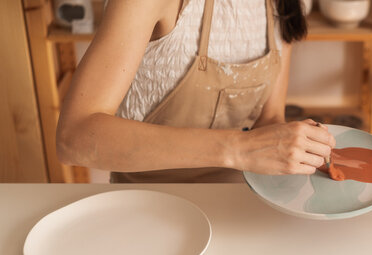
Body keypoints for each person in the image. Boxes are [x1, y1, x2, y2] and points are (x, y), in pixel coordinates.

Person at [57, 0, 336, 183]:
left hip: (239, 201)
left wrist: (298, 153)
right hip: (145, 203)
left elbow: (270, 118)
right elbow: (74, 138)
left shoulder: (283, 3)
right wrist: (239, 149)